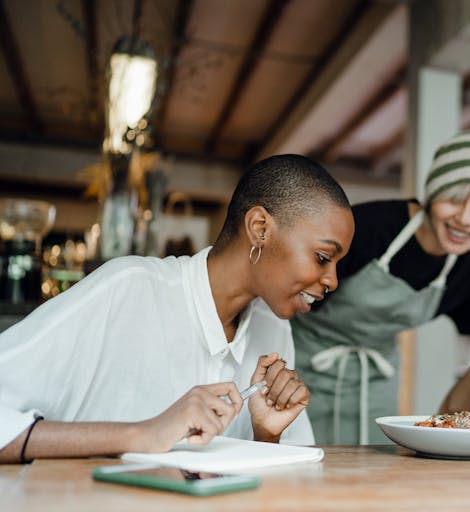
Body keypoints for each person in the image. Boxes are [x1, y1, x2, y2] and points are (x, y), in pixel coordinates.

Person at [0, 154, 355, 464]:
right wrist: (141, 435)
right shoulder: (129, 288)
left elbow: (292, 484)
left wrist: (266, 437)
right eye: (323, 257)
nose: (333, 281)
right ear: (259, 228)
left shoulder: (273, 327)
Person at [290, 129, 470, 444]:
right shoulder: (368, 226)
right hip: (299, 370)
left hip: (376, 385)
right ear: (432, 192)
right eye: (454, 199)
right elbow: (288, 295)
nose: (466, 219)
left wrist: (462, 398)